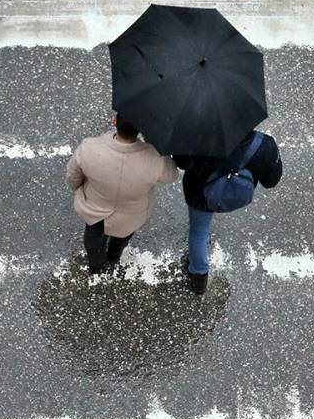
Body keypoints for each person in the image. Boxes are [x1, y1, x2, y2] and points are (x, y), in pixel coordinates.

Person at [65, 114, 178, 273]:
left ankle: (96, 266)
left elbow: (73, 175)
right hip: (131, 216)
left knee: (93, 240)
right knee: (121, 238)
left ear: (114, 121)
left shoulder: (89, 147)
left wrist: (78, 190)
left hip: (94, 209)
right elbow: (171, 175)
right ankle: (113, 257)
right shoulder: (155, 158)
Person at [174, 130, 282, 294]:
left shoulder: (198, 137)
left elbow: (180, 161)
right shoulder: (265, 145)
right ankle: (199, 279)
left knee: (198, 232)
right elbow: (271, 181)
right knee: (200, 232)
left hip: (200, 194)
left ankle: (199, 280)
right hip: (234, 193)